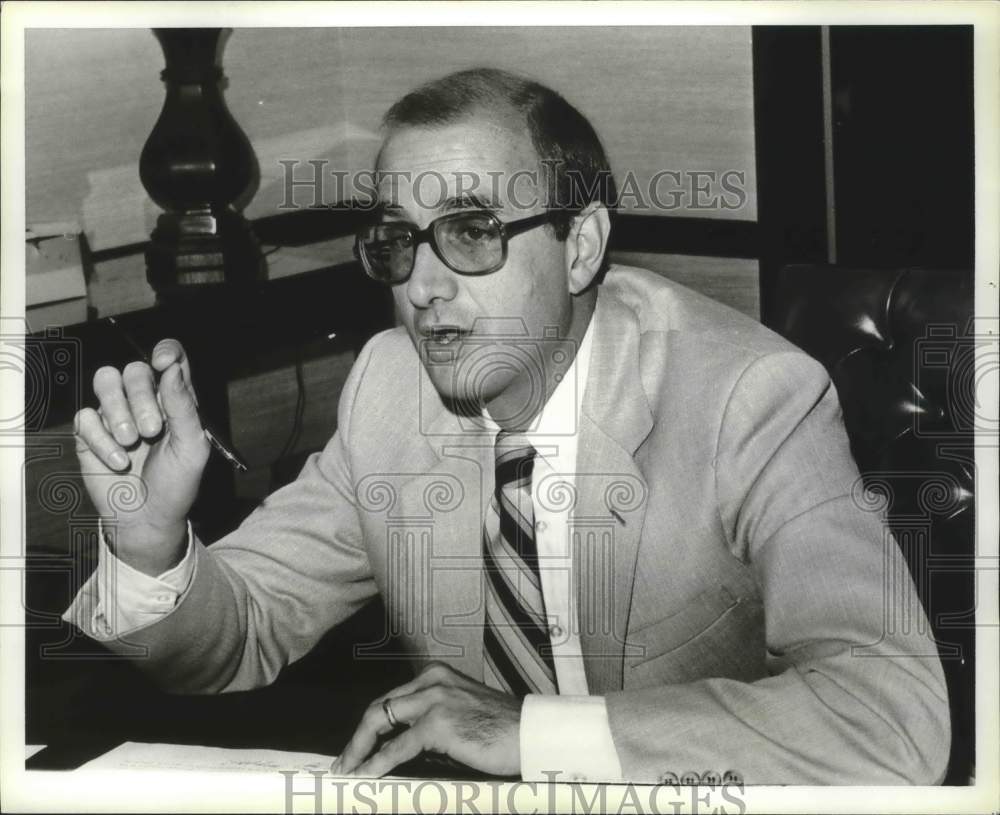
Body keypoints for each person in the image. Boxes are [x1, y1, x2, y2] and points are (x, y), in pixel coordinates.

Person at [66, 67, 949, 784]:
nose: (423, 288)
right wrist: (150, 539)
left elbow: (891, 720)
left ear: (580, 247)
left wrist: (534, 733)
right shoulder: (389, 386)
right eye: (400, 240)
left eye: (472, 231)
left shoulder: (748, 398)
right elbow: (241, 631)